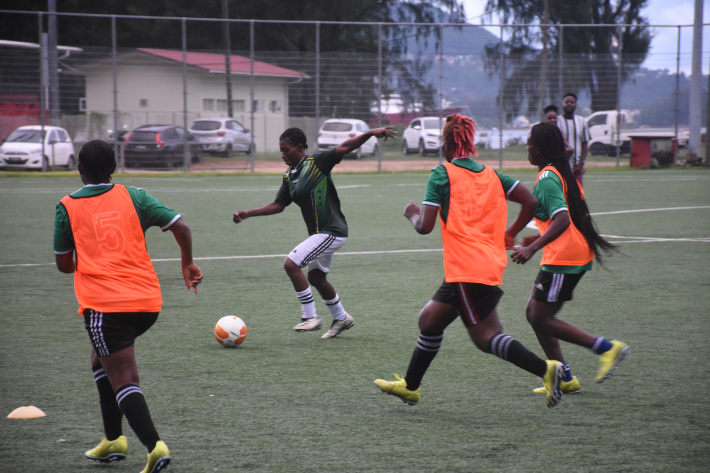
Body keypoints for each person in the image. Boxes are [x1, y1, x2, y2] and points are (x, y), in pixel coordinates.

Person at [374, 113, 565, 409]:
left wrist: (411, 212)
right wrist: (510, 233)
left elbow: (424, 226)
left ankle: (547, 370)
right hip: (482, 265)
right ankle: (411, 387)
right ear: (469, 143)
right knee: (429, 320)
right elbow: (531, 201)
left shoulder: (442, 173)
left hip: (467, 269)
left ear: (447, 144)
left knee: (485, 338)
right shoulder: (493, 175)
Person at [53, 140, 203, 473]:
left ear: (79, 170)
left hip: (105, 307)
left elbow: (64, 265)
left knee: (122, 375)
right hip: (147, 303)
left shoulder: (67, 206)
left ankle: (155, 447)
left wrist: (91, 256)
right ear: (114, 168)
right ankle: (114, 440)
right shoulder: (134, 195)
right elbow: (181, 226)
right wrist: (187, 263)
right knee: (100, 358)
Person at [232, 126, 396, 338]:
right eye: (280, 150)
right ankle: (341, 317)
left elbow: (345, 147)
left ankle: (310, 316)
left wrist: (371, 133)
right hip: (319, 234)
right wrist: (248, 213)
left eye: (286, 150)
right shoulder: (289, 176)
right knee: (317, 278)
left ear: (300, 148)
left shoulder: (317, 163)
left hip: (332, 231)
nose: (283, 155)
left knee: (291, 264)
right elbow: (279, 204)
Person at [511, 122, 628, 395]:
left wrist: (533, 248)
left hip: (564, 257)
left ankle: (607, 349)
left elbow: (563, 219)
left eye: (529, 144)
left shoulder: (548, 177)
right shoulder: (561, 174)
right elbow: (565, 218)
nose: (527, 148)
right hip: (570, 253)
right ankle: (564, 377)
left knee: (540, 318)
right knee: (534, 314)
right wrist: (533, 240)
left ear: (537, 150)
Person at [556, 93, 591, 186]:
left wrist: (581, 163)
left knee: (578, 196)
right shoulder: (557, 121)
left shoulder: (582, 121)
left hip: (577, 167)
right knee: (562, 195)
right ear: (562, 104)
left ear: (576, 105)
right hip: (560, 166)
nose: (569, 104)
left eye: (572, 102)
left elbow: (585, 143)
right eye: (567, 102)